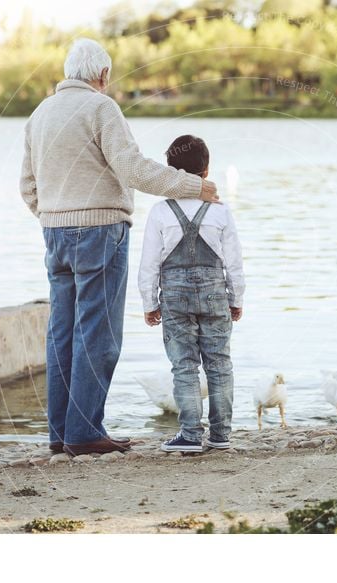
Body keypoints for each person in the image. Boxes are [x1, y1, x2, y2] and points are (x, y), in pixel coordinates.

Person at [19, 39, 219, 456]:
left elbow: (27, 186)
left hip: (54, 234)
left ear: (69, 70)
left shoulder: (39, 114)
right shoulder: (100, 108)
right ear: (103, 76)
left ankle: (61, 434)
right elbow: (133, 169)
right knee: (98, 332)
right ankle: (85, 431)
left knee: (61, 333)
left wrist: (53, 215)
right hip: (100, 230)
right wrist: (193, 186)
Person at [138, 135, 245, 452]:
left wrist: (150, 303)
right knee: (220, 363)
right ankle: (221, 434)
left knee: (183, 365)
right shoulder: (221, 212)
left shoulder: (160, 212)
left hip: (175, 296)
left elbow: (149, 265)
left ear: (171, 173)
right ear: (207, 171)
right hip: (214, 293)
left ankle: (189, 435)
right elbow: (234, 264)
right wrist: (236, 300)